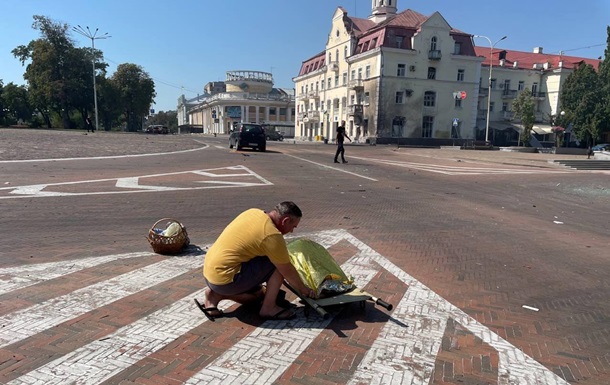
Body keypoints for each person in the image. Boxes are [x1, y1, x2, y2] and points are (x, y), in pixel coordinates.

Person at [200, 201, 315, 321]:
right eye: (293, 227)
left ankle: (215, 295)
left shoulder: (253, 212)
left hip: (210, 274)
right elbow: (287, 271)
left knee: (260, 294)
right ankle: (268, 308)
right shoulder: (272, 235)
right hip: (226, 280)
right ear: (285, 221)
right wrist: (305, 290)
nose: (292, 231)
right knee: (278, 265)